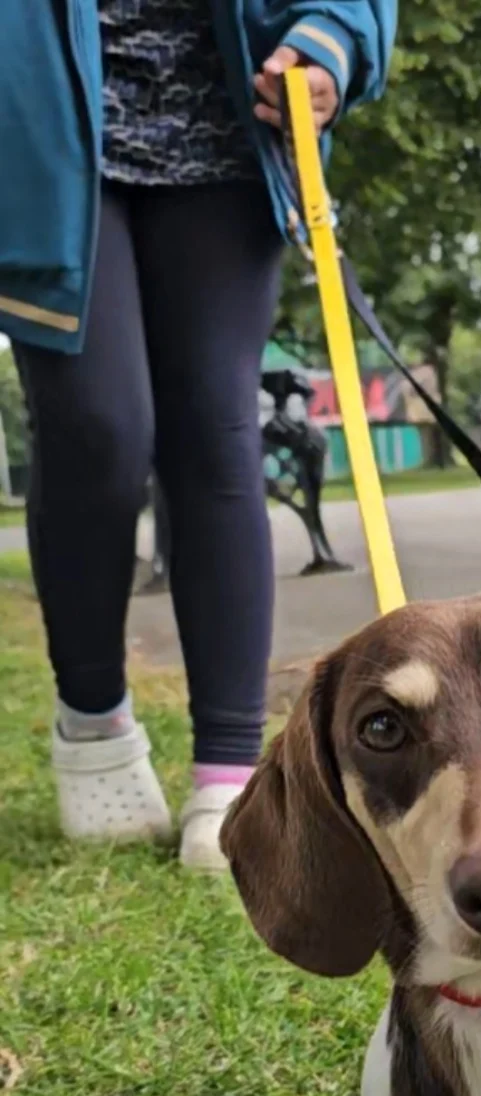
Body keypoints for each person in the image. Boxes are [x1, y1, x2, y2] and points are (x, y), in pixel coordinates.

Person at [2, 0, 395, 869]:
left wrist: (333, 36)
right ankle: (94, 718)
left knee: (218, 433)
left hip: (226, 127)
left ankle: (227, 766)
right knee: (99, 429)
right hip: (40, 139)